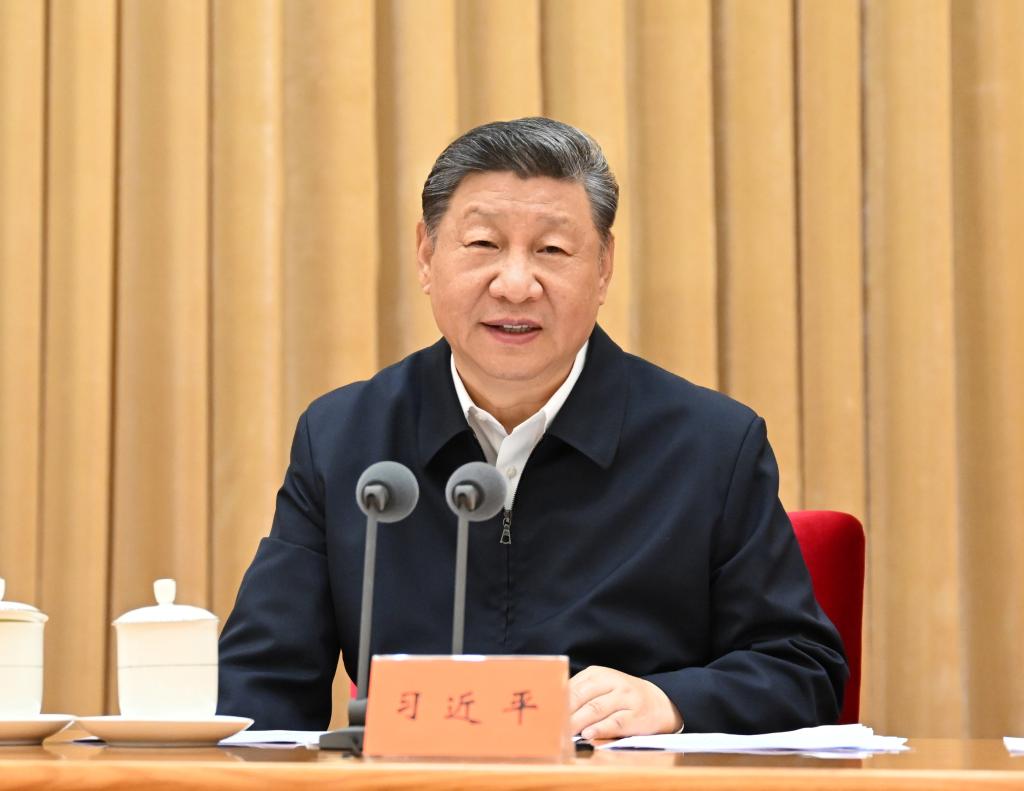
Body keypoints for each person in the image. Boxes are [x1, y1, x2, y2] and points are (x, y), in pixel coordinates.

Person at [218, 117, 847, 737]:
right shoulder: (344, 438)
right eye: (484, 245)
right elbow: (259, 681)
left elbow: (800, 669)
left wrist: (670, 701)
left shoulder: (711, 445)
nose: (516, 285)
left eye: (551, 250)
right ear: (426, 255)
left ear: (603, 268)